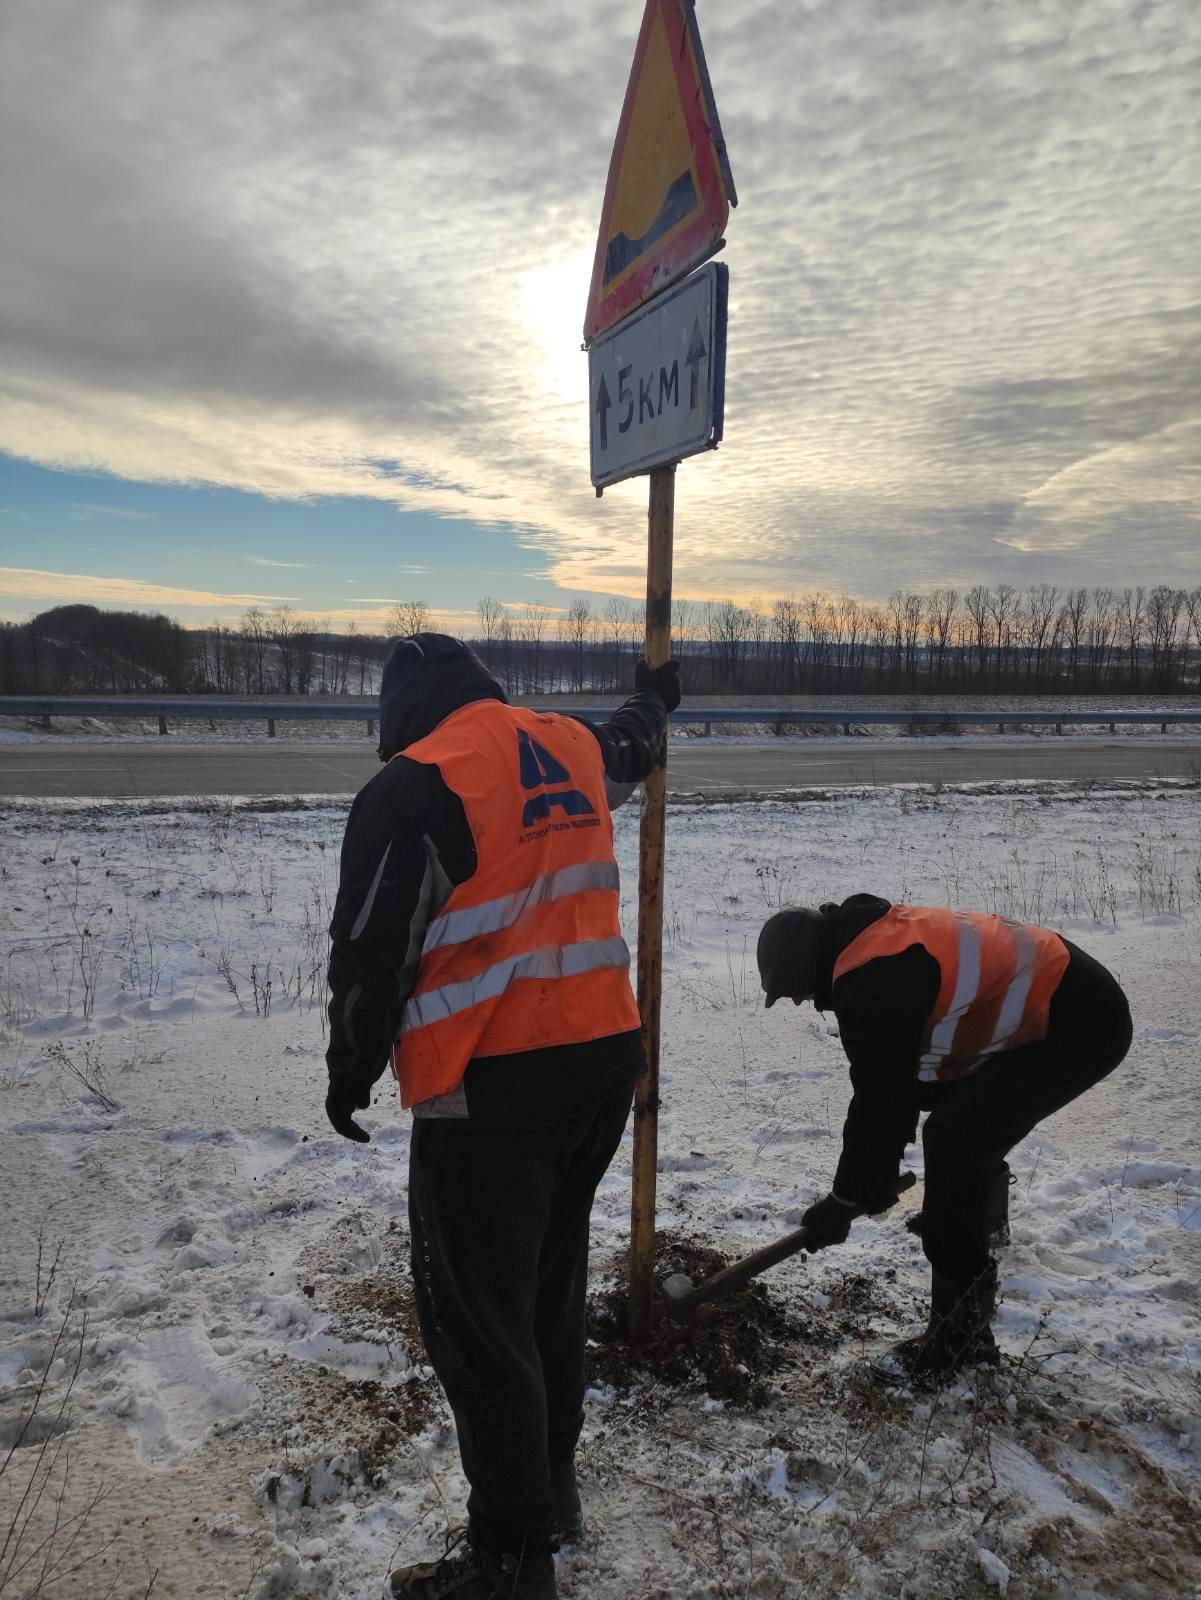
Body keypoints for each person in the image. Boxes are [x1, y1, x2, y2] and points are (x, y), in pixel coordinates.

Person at [324, 633, 680, 1600]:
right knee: (543, 1299)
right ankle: (549, 1499)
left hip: (490, 1090)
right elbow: (628, 744)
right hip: (603, 1062)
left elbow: (368, 952)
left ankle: (509, 1560)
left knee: (478, 1327)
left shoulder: (412, 786)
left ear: (402, 713)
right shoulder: (562, 744)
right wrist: (657, 698)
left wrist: (349, 1070)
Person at [757, 895, 1132, 1383]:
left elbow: (880, 1104)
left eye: (795, 990)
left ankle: (962, 1343)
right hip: (1060, 999)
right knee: (959, 1121)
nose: (800, 1001)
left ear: (808, 966)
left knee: (955, 1142)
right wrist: (869, 1185)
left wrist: (845, 1200)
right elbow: (898, 1088)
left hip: (1080, 1022)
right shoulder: (872, 943)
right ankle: (981, 1224)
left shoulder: (872, 980)